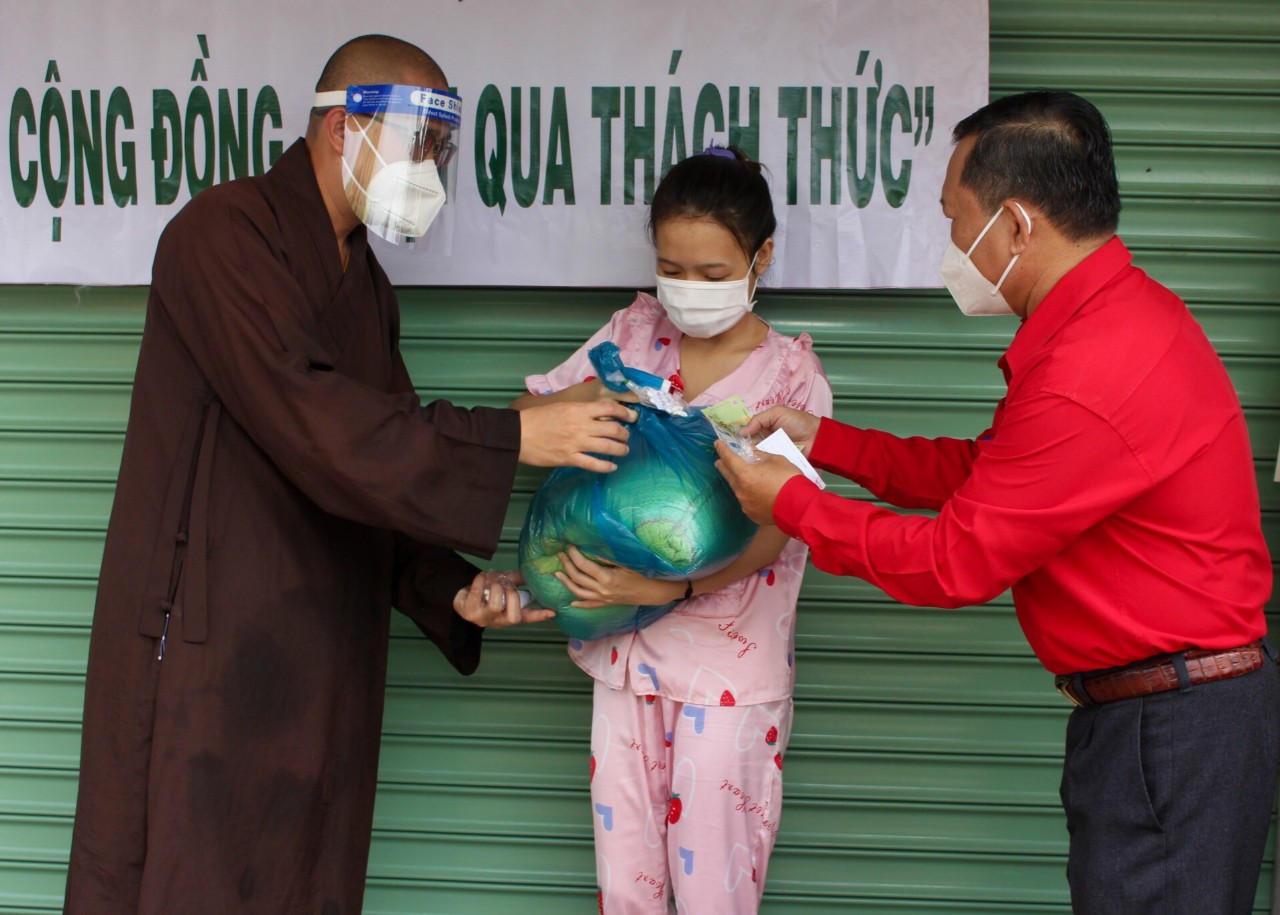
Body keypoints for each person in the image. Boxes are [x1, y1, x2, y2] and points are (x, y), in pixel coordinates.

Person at [63, 34, 637, 915]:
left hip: (322, 653)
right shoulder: (219, 236)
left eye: (442, 151)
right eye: (420, 143)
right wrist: (514, 435)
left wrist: (452, 589)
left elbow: (382, 463)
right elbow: (320, 424)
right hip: (210, 646)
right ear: (343, 128)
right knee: (189, 879)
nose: (431, 171)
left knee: (307, 880)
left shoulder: (367, 288)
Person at [714, 90, 1278, 914]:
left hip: (1171, 730)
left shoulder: (1093, 366)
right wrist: (825, 440)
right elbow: (992, 473)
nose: (950, 243)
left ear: (1014, 225)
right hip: (1168, 716)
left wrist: (793, 502)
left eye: (954, 218)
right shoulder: (1113, 319)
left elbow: (955, 560)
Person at [511, 146, 832, 914]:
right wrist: (591, 399)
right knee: (627, 888)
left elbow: (783, 527)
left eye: (713, 273)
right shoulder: (631, 335)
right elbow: (523, 422)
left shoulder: (791, 378)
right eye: (671, 268)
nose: (688, 288)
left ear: (761, 258)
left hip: (728, 675)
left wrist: (673, 588)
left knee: (713, 890)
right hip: (626, 663)